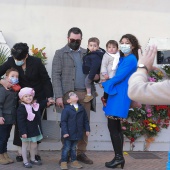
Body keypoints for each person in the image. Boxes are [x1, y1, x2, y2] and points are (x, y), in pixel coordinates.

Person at [0, 43, 54, 162]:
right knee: (21, 124)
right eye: (16, 59)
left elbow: (45, 80)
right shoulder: (10, 61)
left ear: (26, 55)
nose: (17, 61)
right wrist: (2, 81)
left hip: (37, 97)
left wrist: (50, 97)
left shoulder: (36, 62)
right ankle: (20, 152)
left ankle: (35, 152)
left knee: (36, 124)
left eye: (20, 59)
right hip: (21, 99)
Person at [52, 27, 95, 164]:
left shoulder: (87, 53)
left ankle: (81, 153)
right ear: (67, 38)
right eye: (72, 40)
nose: (75, 42)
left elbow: (95, 71)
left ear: (81, 39)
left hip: (85, 94)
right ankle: (67, 154)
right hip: (68, 96)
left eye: (78, 40)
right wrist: (58, 96)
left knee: (84, 124)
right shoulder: (60, 53)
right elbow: (55, 76)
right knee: (67, 125)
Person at [102, 34, 141, 169]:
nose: (124, 45)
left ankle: (119, 157)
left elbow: (118, 77)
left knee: (113, 126)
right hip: (117, 94)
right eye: (122, 42)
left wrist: (105, 85)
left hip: (120, 95)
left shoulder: (130, 59)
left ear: (133, 46)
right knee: (115, 127)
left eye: (127, 43)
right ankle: (119, 157)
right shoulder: (124, 58)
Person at [17, 87, 54, 168]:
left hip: (34, 130)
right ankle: (25, 161)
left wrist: (48, 101)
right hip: (26, 131)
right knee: (25, 145)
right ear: (22, 98)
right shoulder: (21, 108)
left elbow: (41, 104)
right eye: (26, 96)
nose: (28, 97)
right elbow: (20, 121)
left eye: (30, 95)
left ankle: (33, 159)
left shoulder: (35, 105)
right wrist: (23, 132)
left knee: (34, 145)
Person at [60, 91, 90, 170]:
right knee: (66, 148)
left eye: (75, 94)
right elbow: (63, 122)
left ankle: (74, 161)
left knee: (73, 148)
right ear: (68, 100)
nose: (75, 95)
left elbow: (85, 120)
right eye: (72, 95)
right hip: (68, 133)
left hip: (77, 133)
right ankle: (64, 161)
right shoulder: (66, 110)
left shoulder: (81, 108)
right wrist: (65, 132)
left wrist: (87, 129)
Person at [0, 68, 20, 165]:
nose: (15, 78)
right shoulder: (3, 90)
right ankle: (0, 155)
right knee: (2, 138)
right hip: (3, 118)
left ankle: (4, 153)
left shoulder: (14, 90)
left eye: (16, 76)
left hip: (10, 119)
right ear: (6, 77)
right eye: (12, 76)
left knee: (6, 137)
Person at [82, 37, 105, 102]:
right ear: (88, 46)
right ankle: (93, 92)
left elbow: (95, 65)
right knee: (90, 82)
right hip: (91, 72)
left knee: (87, 81)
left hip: (93, 73)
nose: (92, 47)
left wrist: (91, 75)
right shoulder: (90, 53)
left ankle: (89, 95)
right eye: (91, 45)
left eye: (95, 46)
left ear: (98, 47)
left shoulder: (95, 55)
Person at [100, 40, 120, 106]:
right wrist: (104, 73)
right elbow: (104, 65)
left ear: (117, 48)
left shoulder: (118, 55)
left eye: (113, 47)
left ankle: (111, 100)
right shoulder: (106, 56)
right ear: (107, 48)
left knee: (112, 88)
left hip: (115, 75)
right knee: (107, 87)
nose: (111, 49)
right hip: (108, 75)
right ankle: (104, 98)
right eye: (109, 47)